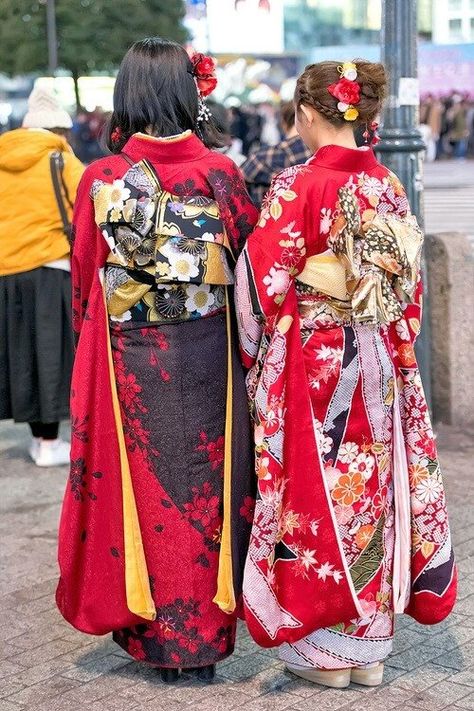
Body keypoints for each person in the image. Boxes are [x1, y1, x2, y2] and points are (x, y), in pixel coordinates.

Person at [235, 60, 457, 688]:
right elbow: (403, 290)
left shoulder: (296, 185)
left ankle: (322, 652)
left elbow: (259, 286)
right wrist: (395, 344)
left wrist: (257, 358)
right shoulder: (386, 184)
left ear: (307, 114)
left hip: (313, 360)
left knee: (310, 492)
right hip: (378, 357)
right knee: (374, 493)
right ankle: (369, 648)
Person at [56, 38, 258, 683]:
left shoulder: (103, 179)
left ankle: (157, 638)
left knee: (143, 500)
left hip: (130, 364)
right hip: (208, 357)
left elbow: (85, 278)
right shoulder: (219, 174)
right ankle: (207, 634)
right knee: (210, 494)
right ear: (188, 94)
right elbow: (250, 265)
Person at [0, 87, 84, 466]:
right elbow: (86, 205)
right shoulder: (61, 160)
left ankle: (37, 438)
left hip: (6, 271)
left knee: (21, 355)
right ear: (58, 129)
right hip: (50, 267)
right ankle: (50, 444)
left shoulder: (3, 157)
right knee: (50, 355)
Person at [242, 100, 312, 208]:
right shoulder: (319, 153)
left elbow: (234, 183)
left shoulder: (264, 156)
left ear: (283, 122)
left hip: (266, 221)